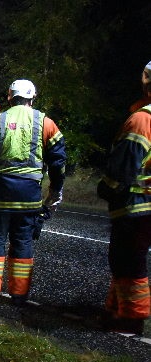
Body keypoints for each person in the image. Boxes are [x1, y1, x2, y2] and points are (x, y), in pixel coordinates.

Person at [0, 79, 66, 305]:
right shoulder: (47, 123)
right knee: (23, 241)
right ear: (32, 98)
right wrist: (55, 190)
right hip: (29, 196)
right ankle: (19, 295)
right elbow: (58, 162)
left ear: (9, 97)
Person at [97, 60, 151, 335]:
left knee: (128, 261)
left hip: (137, 204)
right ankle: (115, 311)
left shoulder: (142, 119)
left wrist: (106, 187)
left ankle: (131, 320)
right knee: (127, 260)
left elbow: (123, 166)